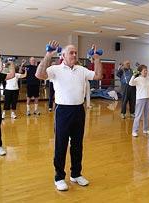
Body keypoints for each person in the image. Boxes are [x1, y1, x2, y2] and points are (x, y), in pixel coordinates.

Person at [35, 41, 102, 191]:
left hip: (79, 110)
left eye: (75, 53)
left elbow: (98, 75)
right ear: (63, 55)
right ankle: (59, 177)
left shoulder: (81, 69)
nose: (74, 55)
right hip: (63, 111)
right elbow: (39, 74)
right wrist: (48, 55)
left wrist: (96, 58)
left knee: (78, 145)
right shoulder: (55, 69)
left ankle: (76, 174)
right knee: (61, 145)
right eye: (71, 53)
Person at [129, 65, 149, 137]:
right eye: (144, 70)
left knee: (147, 115)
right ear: (140, 72)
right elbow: (130, 83)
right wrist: (133, 75)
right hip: (140, 99)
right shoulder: (138, 79)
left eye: (146, 70)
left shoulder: (148, 78)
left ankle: (145, 129)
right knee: (138, 115)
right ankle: (134, 131)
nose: (146, 72)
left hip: (148, 98)